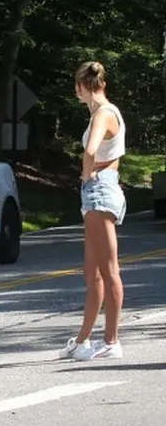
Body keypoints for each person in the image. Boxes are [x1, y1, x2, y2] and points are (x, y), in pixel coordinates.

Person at [58, 61, 126, 362]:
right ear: (103, 83)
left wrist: (86, 176)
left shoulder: (103, 113)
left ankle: (111, 341)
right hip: (100, 191)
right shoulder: (104, 112)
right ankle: (83, 340)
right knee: (94, 274)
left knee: (108, 271)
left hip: (99, 190)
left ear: (80, 88)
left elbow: (90, 151)